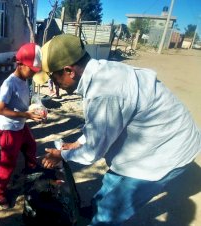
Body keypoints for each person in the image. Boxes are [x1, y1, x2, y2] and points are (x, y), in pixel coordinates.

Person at [38, 34, 201, 225]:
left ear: (68, 70)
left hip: (165, 152)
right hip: (155, 139)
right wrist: (78, 143)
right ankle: (93, 211)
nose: (52, 83)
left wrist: (62, 155)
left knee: (109, 215)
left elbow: (93, 152)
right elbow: (100, 126)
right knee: (110, 184)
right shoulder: (100, 72)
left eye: (53, 77)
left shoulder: (104, 93)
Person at [0, 43, 45, 208]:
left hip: (20, 125)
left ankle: (30, 169)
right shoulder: (9, 83)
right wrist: (26, 115)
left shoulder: (25, 80)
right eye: (31, 69)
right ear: (20, 64)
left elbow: (23, 102)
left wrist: (35, 108)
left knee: (31, 146)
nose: (33, 73)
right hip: (9, 129)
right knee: (8, 163)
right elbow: (0, 109)